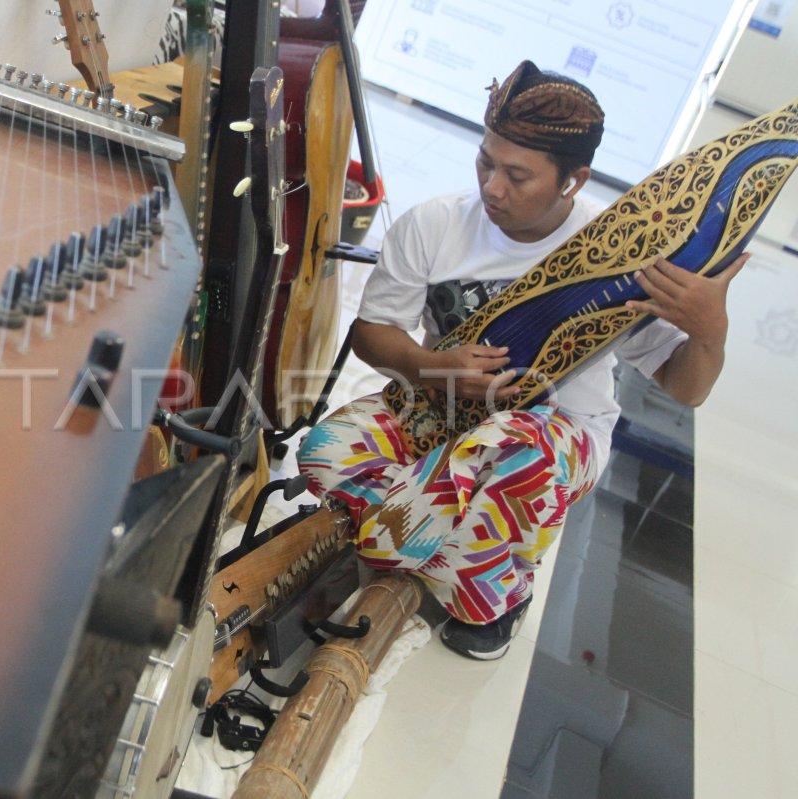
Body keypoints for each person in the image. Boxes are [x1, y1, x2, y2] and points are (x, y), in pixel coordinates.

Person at [296, 60, 745, 660]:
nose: (492, 187)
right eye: (485, 161)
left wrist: (710, 332)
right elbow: (373, 334)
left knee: (507, 452)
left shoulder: (618, 256)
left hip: (554, 438)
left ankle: (482, 586)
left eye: (517, 175)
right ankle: (457, 557)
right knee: (324, 452)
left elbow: (686, 390)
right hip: (437, 409)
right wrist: (436, 368)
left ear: (573, 181)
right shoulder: (433, 224)